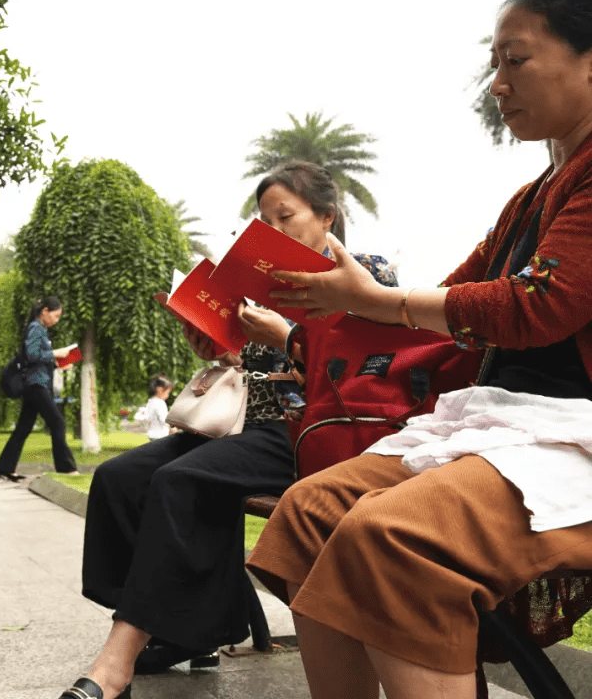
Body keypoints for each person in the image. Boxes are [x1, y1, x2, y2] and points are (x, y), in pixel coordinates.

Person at [245, 0, 592, 698]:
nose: (496, 84)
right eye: (493, 64)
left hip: (574, 437)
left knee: (392, 535)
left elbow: (539, 304)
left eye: (515, 61)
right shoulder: (528, 201)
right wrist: (324, 303)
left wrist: (374, 300)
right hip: (510, 430)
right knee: (308, 512)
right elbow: (450, 307)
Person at [56, 161, 398, 699]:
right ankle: (178, 627)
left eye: (285, 217)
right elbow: (253, 368)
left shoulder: (368, 274)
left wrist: (287, 335)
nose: (273, 231)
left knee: (181, 482)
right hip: (242, 426)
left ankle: (117, 659)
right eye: (264, 221)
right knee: (119, 478)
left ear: (327, 215)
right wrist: (220, 345)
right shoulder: (265, 289)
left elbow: (365, 371)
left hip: (305, 432)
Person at [0, 296, 79, 481]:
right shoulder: (35, 328)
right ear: (45, 311)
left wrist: (58, 364)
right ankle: (66, 469)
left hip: (36, 383)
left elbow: (37, 360)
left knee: (24, 427)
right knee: (57, 423)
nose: (56, 321)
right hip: (35, 385)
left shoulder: (40, 329)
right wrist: (55, 353)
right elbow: (32, 355)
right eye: (55, 316)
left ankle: (5, 468)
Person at [135, 375, 173, 441]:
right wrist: (173, 427)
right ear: (159, 390)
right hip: (160, 436)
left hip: (152, 435)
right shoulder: (160, 403)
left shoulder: (151, 402)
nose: (168, 396)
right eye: (167, 393)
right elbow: (164, 420)